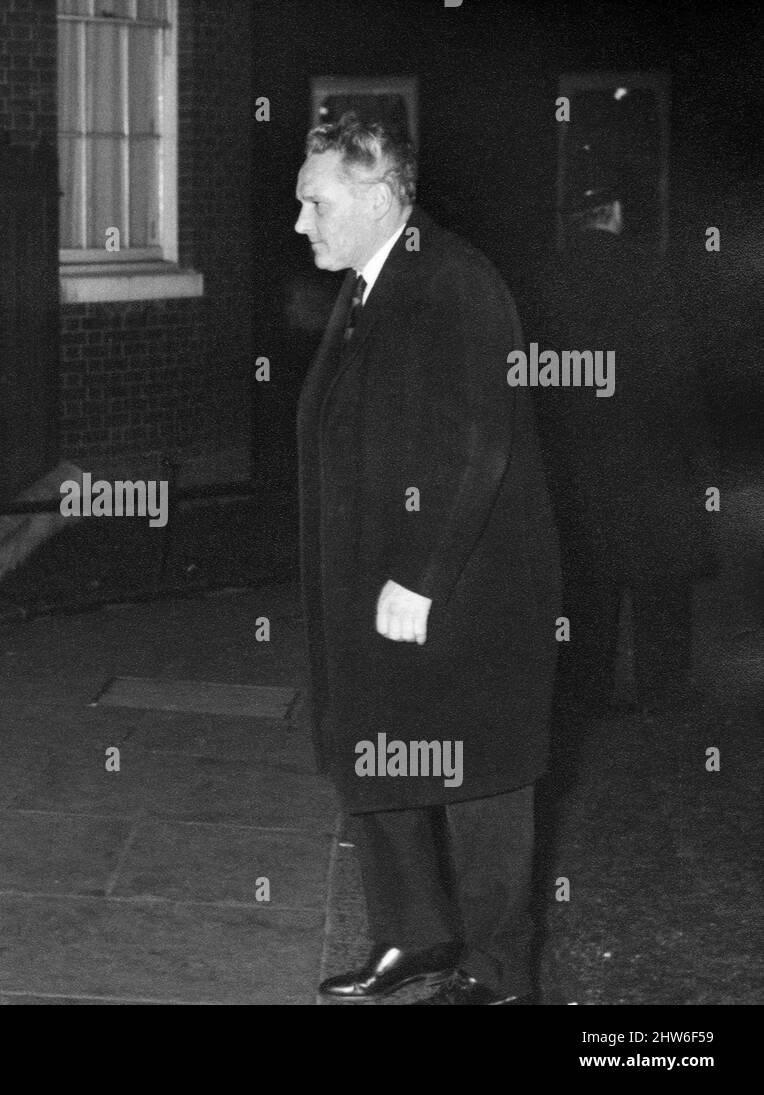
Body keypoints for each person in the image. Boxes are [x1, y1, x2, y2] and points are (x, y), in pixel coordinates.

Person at [294, 113, 561, 1004]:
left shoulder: (455, 279)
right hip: (375, 583)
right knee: (381, 752)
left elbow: (479, 442)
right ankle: (415, 935)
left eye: (316, 202)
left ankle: (498, 971)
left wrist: (422, 576)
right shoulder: (372, 281)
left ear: (377, 197)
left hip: (460, 587)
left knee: (474, 774)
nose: (302, 223)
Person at [527, 171, 701, 716]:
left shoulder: (547, 279)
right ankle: (662, 691)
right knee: (660, 581)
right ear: (618, 215)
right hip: (649, 453)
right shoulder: (651, 273)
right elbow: (678, 370)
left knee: (586, 580)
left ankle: (585, 690)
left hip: (578, 455)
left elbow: (533, 373)